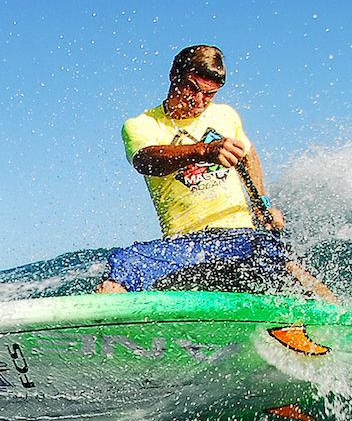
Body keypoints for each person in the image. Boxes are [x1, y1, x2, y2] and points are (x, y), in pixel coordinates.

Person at [96, 45, 334, 300]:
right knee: (125, 263)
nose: (199, 101)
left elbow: (248, 154)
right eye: (192, 88)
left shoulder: (225, 115)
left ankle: (335, 312)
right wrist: (203, 151)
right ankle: (102, 319)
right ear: (174, 75)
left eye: (209, 94)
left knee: (281, 260)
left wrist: (261, 204)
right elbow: (146, 161)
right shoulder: (142, 124)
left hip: (239, 236)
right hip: (183, 245)